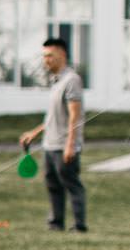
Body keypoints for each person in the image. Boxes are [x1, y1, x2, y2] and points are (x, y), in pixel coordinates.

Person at [19, 37, 88, 233]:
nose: (46, 60)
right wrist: (34, 133)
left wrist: (70, 144)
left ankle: (79, 225)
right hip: (49, 144)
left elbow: (75, 114)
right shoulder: (56, 81)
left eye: (50, 55)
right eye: (44, 56)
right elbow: (53, 118)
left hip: (64, 144)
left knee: (72, 184)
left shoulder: (71, 80)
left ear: (62, 54)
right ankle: (55, 223)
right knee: (53, 185)